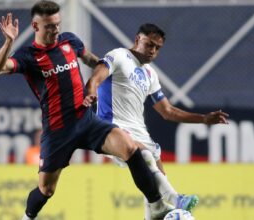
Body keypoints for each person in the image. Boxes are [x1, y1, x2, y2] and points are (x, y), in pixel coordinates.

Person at [0, 1, 173, 220]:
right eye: (49, 26)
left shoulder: (69, 41)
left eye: (57, 24)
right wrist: (9, 41)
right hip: (58, 131)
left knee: (132, 149)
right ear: (35, 26)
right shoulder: (28, 56)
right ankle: (27, 217)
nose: (56, 29)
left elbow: (94, 61)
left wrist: (111, 75)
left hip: (86, 120)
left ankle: (156, 206)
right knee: (46, 190)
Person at [84, 23, 229, 219]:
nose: (153, 50)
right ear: (137, 39)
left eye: (157, 48)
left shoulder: (150, 74)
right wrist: (91, 93)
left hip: (141, 133)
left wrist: (203, 119)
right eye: (149, 44)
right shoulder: (119, 56)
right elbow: (96, 78)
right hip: (113, 128)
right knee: (144, 158)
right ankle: (177, 198)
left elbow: (167, 111)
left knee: (153, 189)